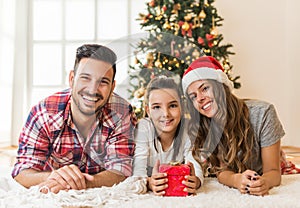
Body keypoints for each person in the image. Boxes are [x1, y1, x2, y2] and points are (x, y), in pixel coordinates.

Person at [12, 44, 137, 194]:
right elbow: (22, 172)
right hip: (53, 191)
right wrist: (55, 176)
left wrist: (81, 182)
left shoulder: (122, 113)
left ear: (112, 86)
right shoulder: (43, 113)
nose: (92, 90)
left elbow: (121, 170)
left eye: (103, 82)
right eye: (85, 78)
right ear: (72, 79)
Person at [182, 56, 285, 196]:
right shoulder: (205, 125)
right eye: (193, 96)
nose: (199, 98)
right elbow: (222, 171)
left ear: (221, 86)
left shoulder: (263, 113)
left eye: (205, 88)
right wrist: (237, 180)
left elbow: (273, 172)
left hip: (262, 172)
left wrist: (264, 182)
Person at [133, 76, 203, 196]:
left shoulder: (186, 128)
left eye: (172, 106)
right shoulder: (144, 127)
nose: (166, 114)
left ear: (181, 106)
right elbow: (138, 172)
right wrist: (149, 183)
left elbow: (193, 160)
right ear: (148, 111)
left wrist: (196, 181)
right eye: (156, 107)